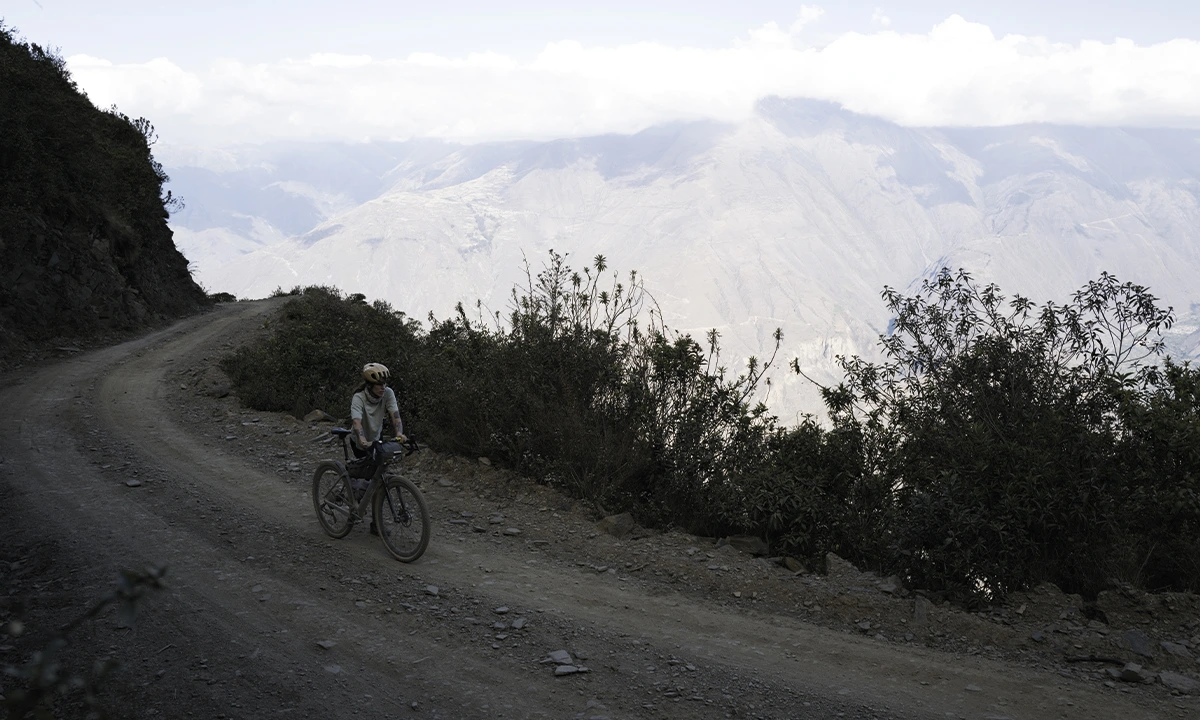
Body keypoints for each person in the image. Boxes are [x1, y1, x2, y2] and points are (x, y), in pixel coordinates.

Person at [350, 363, 405, 535]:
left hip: (376, 439)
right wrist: (363, 440)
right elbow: (356, 422)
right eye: (379, 384)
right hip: (360, 442)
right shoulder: (359, 398)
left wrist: (400, 433)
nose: (383, 387)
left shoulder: (388, 394)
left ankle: (375, 523)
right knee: (369, 477)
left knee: (377, 479)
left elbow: (395, 415)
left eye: (385, 384)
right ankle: (351, 494)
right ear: (369, 385)